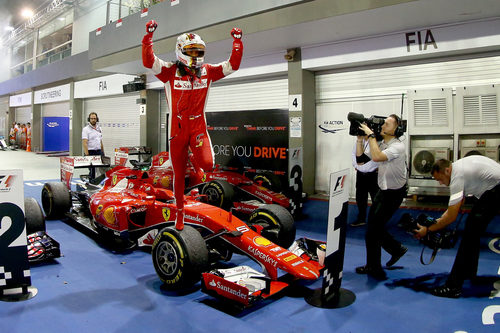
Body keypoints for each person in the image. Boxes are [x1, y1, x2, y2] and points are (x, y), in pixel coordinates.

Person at [142, 20, 243, 230]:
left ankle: (195, 160)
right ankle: (179, 213)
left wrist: (237, 43)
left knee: (207, 165)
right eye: (191, 51)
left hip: (198, 128)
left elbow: (232, 65)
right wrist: (148, 38)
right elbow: (149, 61)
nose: (196, 56)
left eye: (199, 52)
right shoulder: (169, 71)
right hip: (177, 131)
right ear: (180, 51)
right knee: (178, 175)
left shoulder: (207, 71)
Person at [415, 156, 500, 298]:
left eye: (440, 179)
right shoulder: (458, 168)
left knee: (469, 236)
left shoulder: (457, 176)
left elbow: (452, 216)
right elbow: (455, 207)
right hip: (492, 190)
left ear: (447, 170)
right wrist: (436, 221)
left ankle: (453, 287)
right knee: (471, 232)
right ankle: (468, 272)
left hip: (495, 192)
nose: (441, 183)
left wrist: (428, 230)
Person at [355, 114, 408, 280]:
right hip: (383, 190)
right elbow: (361, 160)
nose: (383, 126)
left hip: (394, 193)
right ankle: (395, 249)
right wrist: (359, 140)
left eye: (387, 124)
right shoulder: (382, 143)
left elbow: (377, 157)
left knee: (373, 230)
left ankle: (374, 266)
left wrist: (370, 136)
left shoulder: (398, 147)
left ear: (396, 130)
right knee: (374, 228)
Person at [351, 136, 379, 226]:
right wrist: (356, 166)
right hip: (360, 175)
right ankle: (361, 218)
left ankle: (377, 221)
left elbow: (367, 159)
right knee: (360, 198)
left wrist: (361, 164)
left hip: (373, 175)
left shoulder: (376, 141)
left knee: (376, 199)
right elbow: (354, 155)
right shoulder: (359, 141)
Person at [82, 112, 104, 179]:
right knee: (92, 170)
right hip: (90, 152)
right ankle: (91, 183)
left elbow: (100, 141)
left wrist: (103, 152)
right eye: (92, 118)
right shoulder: (86, 129)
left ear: (97, 119)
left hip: (98, 151)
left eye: (95, 118)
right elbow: (84, 143)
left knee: (101, 169)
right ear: (89, 119)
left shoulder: (99, 128)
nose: (93, 120)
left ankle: (99, 183)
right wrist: (87, 155)